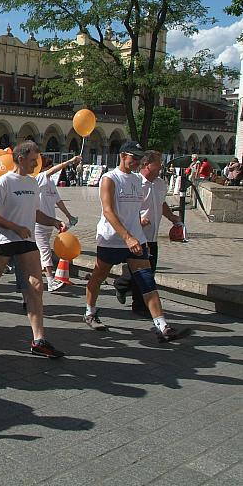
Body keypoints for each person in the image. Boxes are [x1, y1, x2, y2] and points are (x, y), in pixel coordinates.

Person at [0, 141, 67, 358]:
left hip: (26, 240)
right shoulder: (3, 182)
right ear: (21, 158)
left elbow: (34, 213)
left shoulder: (33, 183)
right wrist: (15, 227)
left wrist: (53, 221)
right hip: (4, 239)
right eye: (33, 159)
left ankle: (39, 339)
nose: (37, 163)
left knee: (36, 285)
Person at [85, 142, 189, 342]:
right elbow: (108, 211)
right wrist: (126, 236)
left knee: (146, 279)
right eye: (133, 157)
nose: (136, 162)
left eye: (139, 158)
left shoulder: (136, 180)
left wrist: (141, 234)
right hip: (112, 238)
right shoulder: (110, 178)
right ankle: (90, 312)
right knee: (99, 276)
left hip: (136, 239)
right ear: (123, 155)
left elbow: (139, 209)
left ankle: (162, 325)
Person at [113, 150, 182, 317]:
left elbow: (161, 203)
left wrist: (172, 217)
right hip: (137, 234)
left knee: (147, 270)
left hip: (153, 235)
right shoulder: (136, 183)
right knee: (143, 271)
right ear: (146, 165)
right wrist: (138, 220)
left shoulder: (160, 184)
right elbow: (127, 206)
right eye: (157, 163)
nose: (160, 166)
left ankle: (122, 285)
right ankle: (139, 304)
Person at [35, 155, 81, 292]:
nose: (51, 169)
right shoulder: (39, 178)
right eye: (49, 166)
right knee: (45, 251)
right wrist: (70, 162)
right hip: (38, 222)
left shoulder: (50, 183)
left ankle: (34, 276)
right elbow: (53, 170)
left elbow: (58, 201)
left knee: (40, 251)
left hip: (50, 223)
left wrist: (69, 216)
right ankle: (50, 281)